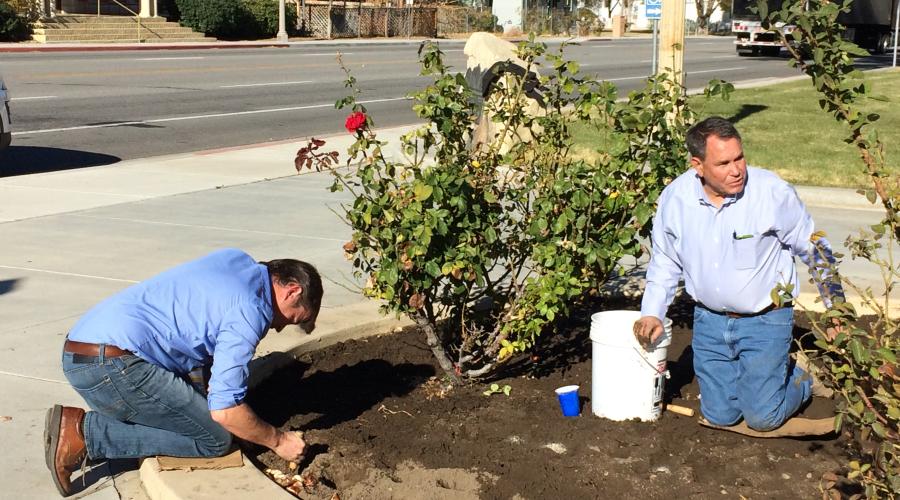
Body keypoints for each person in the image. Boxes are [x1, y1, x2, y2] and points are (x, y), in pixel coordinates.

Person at [44, 248, 323, 497]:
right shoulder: (252, 310)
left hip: (85, 346)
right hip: (110, 368)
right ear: (293, 290)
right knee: (215, 438)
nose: (279, 327)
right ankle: (85, 435)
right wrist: (278, 440)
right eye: (292, 318)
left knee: (205, 419)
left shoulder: (235, 260)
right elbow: (225, 410)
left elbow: (200, 341)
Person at [633, 116, 842, 432]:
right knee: (720, 415)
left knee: (762, 418)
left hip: (766, 320)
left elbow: (814, 248)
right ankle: (763, 380)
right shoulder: (675, 200)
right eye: (724, 163)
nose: (736, 170)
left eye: (739, 158)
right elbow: (664, 261)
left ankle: (802, 376)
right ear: (698, 165)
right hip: (709, 321)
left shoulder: (771, 193)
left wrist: (837, 310)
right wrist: (652, 313)